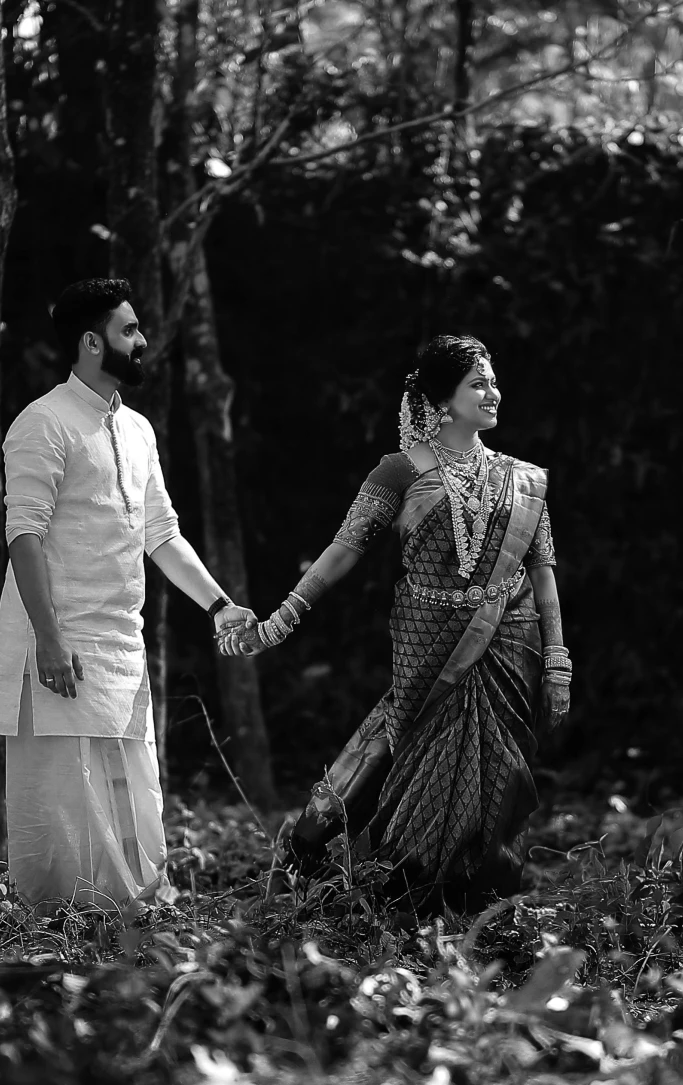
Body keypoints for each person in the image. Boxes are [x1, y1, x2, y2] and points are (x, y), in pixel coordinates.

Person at [224, 333, 570, 912]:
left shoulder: (523, 480)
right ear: (441, 401)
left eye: (492, 380)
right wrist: (281, 620)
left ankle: (467, 898)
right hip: (424, 639)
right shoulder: (397, 472)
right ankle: (388, 882)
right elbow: (342, 551)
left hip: (508, 643)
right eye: (477, 383)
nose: (493, 393)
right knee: (404, 742)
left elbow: (543, 571)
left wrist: (557, 660)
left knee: (492, 770)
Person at [0, 277, 252, 910]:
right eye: (130, 330)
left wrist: (218, 604)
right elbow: (23, 536)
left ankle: (136, 921)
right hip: (59, 641)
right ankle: (57, 935)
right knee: (63, 804)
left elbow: (162, 533)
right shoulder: (42, 423)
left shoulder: (139, 431)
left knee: (134, 789)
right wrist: (48, 639)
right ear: (91, 343)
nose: (144, 339)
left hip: (119, 641)